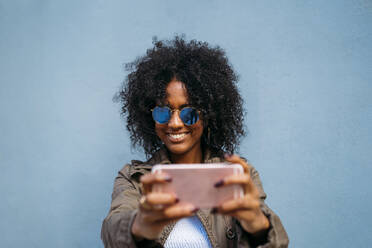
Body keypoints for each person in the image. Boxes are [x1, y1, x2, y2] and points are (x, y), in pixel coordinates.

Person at [101, 36, 289, 247]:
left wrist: (257, 224)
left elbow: (279, 243)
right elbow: (111, 230)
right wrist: (139, 225)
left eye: (189, 113)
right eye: (163, 112)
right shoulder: (134, 178)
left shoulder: (236, 176)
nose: (174, 123)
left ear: (208, 115)